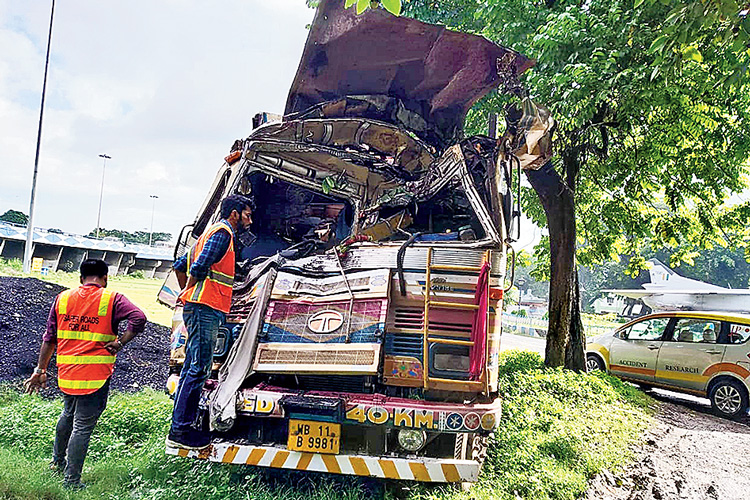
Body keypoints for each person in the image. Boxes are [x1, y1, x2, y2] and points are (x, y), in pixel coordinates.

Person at [24, 259, 146, 489]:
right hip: (95, 374)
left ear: (81, 278)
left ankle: (57, 464)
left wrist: (40, 370)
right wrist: (120, 342)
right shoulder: (112, 298)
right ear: (106, 278)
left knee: (67, 414)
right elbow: (139, 318)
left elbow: (49, 337)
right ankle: (71, 481)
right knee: (81, 427)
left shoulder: (63, 298)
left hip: (68, 372)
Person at [167, 194, 254, 449]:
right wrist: (192, 291)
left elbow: (179, 264)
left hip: (201, 308)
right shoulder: (223, 233)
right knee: (199, 369)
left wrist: (189, 293)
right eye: (247, 215)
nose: (250, 220)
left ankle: (181, 426)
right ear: (235, 213)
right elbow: (198, 266)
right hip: (204, 309)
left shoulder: (209, 233)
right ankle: (181, 431)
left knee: (192, 368)